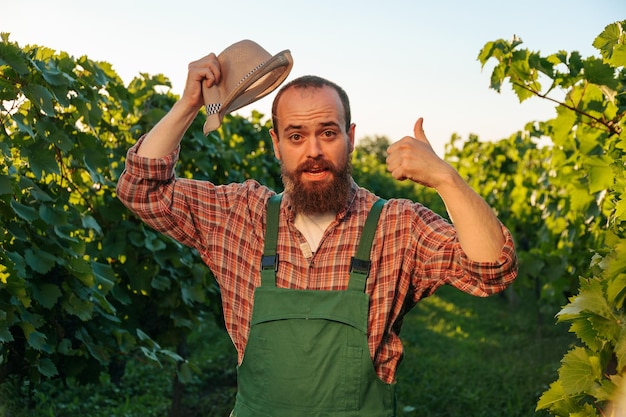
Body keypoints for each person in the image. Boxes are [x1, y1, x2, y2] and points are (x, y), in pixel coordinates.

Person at [116, 52, 518, 417]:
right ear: (276, 144)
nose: (313, 151)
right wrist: (189, 105)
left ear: (351, 137)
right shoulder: (238, 216)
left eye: (328, 133)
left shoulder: (397, 226)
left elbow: (491, 270)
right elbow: (140, 189)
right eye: (295, 136)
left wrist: (446, 180)